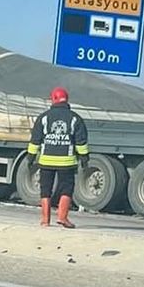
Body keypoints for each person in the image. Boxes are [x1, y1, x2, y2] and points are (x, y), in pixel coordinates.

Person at [29, 86, 89, 228]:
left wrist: (30, 157)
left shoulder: (43, 118)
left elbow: (35, 140)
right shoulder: (75, 118)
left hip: (46, 161)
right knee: (66, 189)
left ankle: (45, 220)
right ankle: (62, 218)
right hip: (66, 162)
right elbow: (81, 141)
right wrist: (84, 158)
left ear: (53, 99)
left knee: (45, 190)